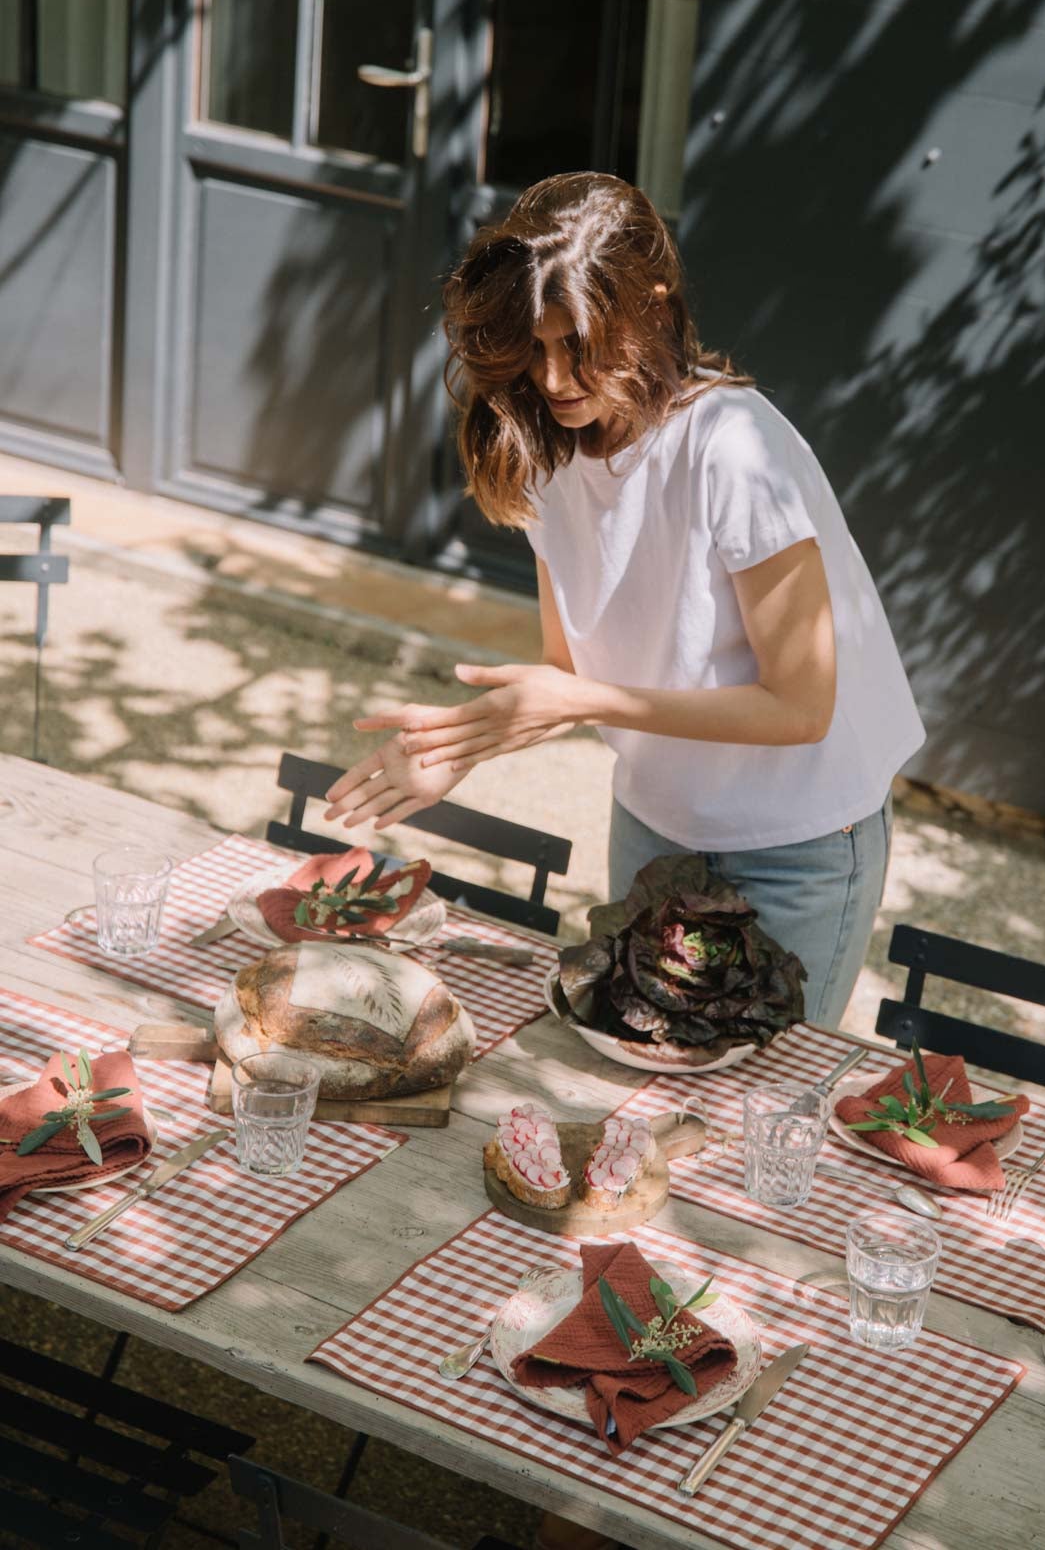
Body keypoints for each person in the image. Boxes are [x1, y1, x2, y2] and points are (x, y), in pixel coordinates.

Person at [324, 173, 924, 1026]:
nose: (556, 377)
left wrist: (580, 701)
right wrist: (468, 741)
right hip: (654, 823)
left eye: (580, 346)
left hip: (799, 846)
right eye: (535, 348)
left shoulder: (736, 450)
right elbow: (571, 670)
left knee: (756, 1108)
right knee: (639, 1086)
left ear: (652, 301)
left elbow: (801, 706)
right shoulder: (545, 442)